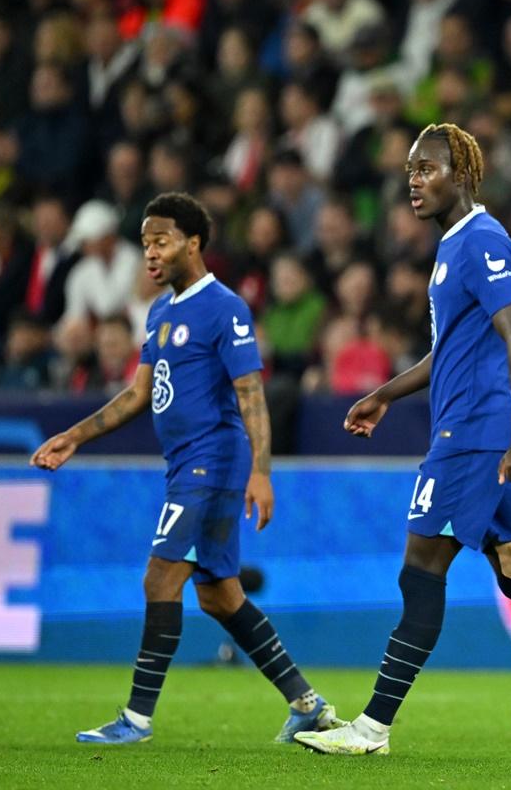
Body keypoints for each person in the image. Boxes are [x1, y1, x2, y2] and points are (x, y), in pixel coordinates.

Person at [294, 123, 511, 756]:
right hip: (475, 428)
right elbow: (448, 352)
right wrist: (385, 395)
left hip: (473, 433)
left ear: (464, 175)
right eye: (410, 172)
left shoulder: (483, 241)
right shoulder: (453, 245)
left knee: (422, 568)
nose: (414, 181)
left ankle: (371, 730)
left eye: (427, 169)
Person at [30, 193, 342, 745]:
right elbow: (138, 395)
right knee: (219, 594)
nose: (150, 254)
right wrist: (73, 436)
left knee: (160, 577)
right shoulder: (160, 311)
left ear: (193, 243)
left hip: (212, 464)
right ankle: (308, 704)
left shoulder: (223, 307)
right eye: (146, 243)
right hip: (185, 467)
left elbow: (251, 394)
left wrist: (262, 472)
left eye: (162, 241)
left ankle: (136, 719)